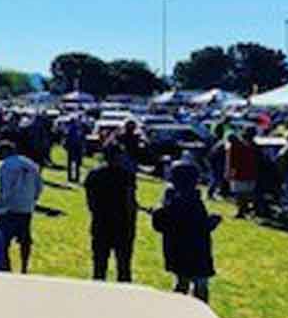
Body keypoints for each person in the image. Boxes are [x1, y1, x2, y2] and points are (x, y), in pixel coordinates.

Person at [151, 159, 220, 303]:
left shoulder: (169, 199)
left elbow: (160, 224)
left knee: (181, 283)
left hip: (176, 250)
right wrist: (212, 222)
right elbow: (198, 227)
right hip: (197, 251)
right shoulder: (191, 200)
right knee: (200, 286)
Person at [83, 145, 136, 282]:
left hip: (101, 222)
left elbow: (90, 200)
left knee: (99, 265)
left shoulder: (94, 174)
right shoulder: (126, 175)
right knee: (124, 266)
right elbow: (130, 201)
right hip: (122, 224)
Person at [0, 141, 43, 273]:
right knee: (25, 240)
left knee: (2, 239)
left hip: (9, 208)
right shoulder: (31, 164)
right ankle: (24, 267)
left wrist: (0, 206)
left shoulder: (5, 165)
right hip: (26, 207)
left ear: (5, 151)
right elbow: (39, 186)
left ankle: (4, 265)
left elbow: (5, 188)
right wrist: (32, 199)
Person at [225, 129, 258, 219]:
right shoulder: (253, 146)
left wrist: (229, 174)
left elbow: (231, 162)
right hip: (251, 173)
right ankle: (247, 210)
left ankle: (241, 211)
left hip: (239, 174)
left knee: (240, 194)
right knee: (248, 194)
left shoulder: (234, 147)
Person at [63, 116, 86, 184]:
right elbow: (67, 138)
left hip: (76, 148)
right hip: (73, 148)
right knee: (72, 164)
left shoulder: (80, 128)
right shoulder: (73, 128)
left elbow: (82, 139)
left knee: (75, 164)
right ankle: (72, 178)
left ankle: (75, 178)